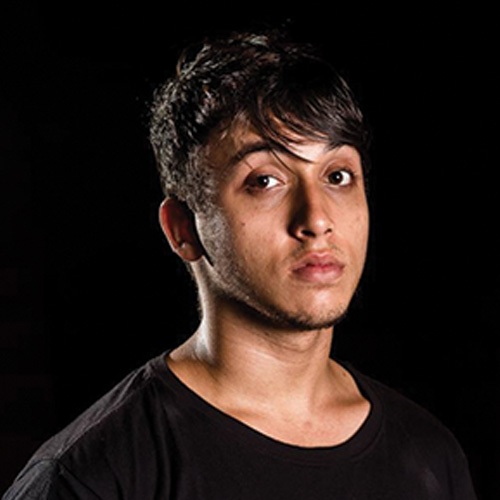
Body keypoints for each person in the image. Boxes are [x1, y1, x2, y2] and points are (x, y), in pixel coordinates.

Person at [3, 29, 477, 499]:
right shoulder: (89, 478)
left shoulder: (430, 456)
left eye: (337, 176)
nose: (316, 219)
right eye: (265, 181)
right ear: (183, 229)